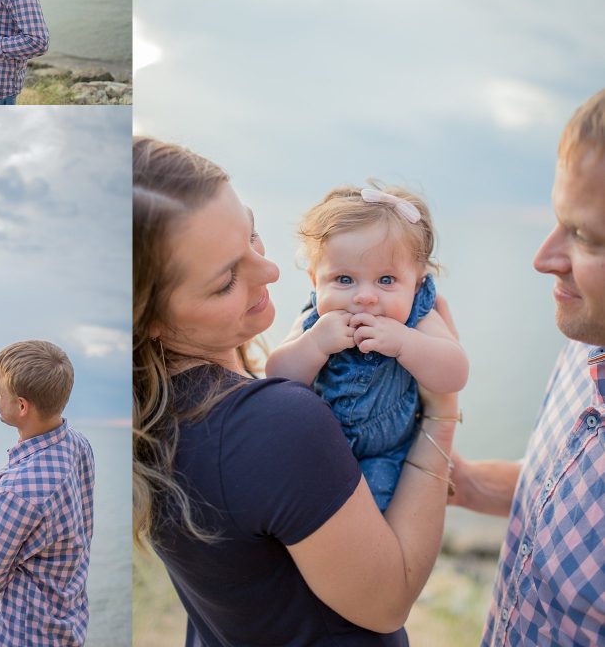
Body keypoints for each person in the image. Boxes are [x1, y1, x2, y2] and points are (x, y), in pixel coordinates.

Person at [133, 136, 462, 646]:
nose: (269, 271)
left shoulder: (157, 415)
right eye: (225, 282)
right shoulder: (275, 422)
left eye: (253, 234)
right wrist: (441, 413)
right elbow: (387, 600)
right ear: (149, 317)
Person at [453, 89, 605, 645]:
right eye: (558, 220)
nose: (543, 258)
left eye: (587, 237)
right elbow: (570, 489)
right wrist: (467, 483)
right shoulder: (587, 343)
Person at [266, 184, 469, 510]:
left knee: (375, 510)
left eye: (386, 280)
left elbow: (455, 374)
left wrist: (406, 344)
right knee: (303, 503)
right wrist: (315, 344)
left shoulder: (417, 319)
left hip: (386, 453)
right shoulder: (316, 319)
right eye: (344, 279)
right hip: (319, 445)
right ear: (314, 281)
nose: (365, 296)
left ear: (416, 284)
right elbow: (277, 377)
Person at [0, 340, 94, 647]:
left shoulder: (19, 489)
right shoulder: (78, 445)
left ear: (21, 406)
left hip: (22, 635)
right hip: (65, 622)